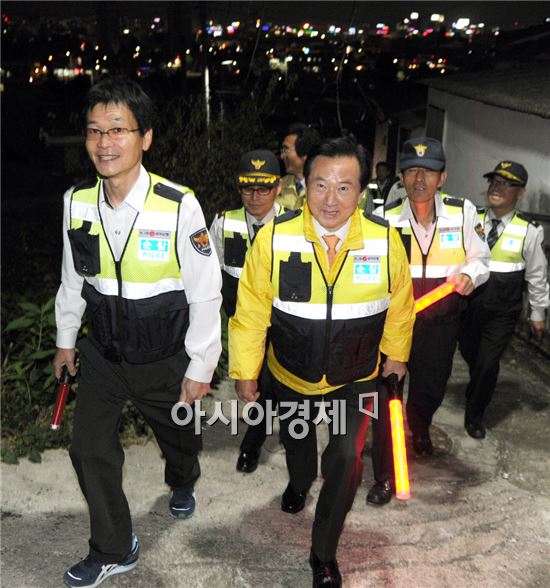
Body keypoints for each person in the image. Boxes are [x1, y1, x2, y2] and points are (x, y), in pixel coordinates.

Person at [53, 76, 222, 588]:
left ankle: (183, 478)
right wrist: (65, 340)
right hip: (103, 352)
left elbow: (205, 292)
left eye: (118, 130)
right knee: (88, 449)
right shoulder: (77, 202)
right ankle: (114, 547)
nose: (104, 143)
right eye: (94, 131)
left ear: (144, 137)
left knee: (181, 439)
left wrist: (200, 365)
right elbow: (72, 279)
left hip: (165, 354)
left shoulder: (178, 205)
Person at [229, 135, 415, 586]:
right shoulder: (275, 238)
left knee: (346, 460)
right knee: (300, 454)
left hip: (356, 377)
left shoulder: (384, 241)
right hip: (291, 374)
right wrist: (246, 371)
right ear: (304, 184)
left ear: (361, 191)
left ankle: (324, 553)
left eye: (344, 187)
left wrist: (396, 356)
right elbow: (250, 311)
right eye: (321, 185)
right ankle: (298, 484)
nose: (331, 200)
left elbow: (400, 305)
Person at [367, 137, 490, 505]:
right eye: (412, 171)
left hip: (441, 321)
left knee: (430, 388)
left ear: (443, 177)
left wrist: (471, 275)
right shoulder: (385, 220)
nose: (419, 179)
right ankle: (386, 473)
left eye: (429, 171)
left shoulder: (463, 213)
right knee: (388, 393)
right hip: (396, 324)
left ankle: (419, 426)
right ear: (401, 176)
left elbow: (481, 258)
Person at [458, 161, 549, 439]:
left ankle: (475, 414)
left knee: (487, 363)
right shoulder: (471, 219)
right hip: (469, 305)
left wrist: (537, 314)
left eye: (507, 183)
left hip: (502, 310)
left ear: (521, 192)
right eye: (495, 181)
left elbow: (537, 275)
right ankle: (478, 384)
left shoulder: (529, 230)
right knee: (471, 355)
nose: (497, 187)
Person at [210, 149, 283, 473]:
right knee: (256, 385)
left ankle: (252, 445)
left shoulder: (292, 224)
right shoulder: (224, 222)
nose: (255, 196)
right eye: (247, 188)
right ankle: (257, 440)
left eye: (263, 188)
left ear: (278, 187)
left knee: (269, 385)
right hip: (241, 324)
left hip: (281, 323)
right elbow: (210, 273)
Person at [277, 122, 321, 210]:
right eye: (282, 150)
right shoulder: (279, 186)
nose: (282, 156)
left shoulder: (324, 187)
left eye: (286, 150)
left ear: (304, 153)